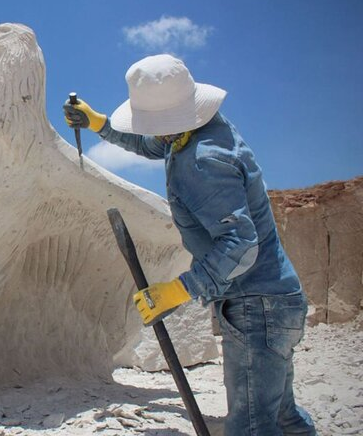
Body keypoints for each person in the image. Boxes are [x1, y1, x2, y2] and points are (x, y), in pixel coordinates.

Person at [63, 54, 316, 436]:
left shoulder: (204, 161)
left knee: (250, 427)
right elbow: (156, 145)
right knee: (281, 416)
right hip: (276, 301)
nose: (157, 133)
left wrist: (179, 290)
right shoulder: (203, 130)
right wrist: (101, 124)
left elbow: (241, 243)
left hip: (257, 308)